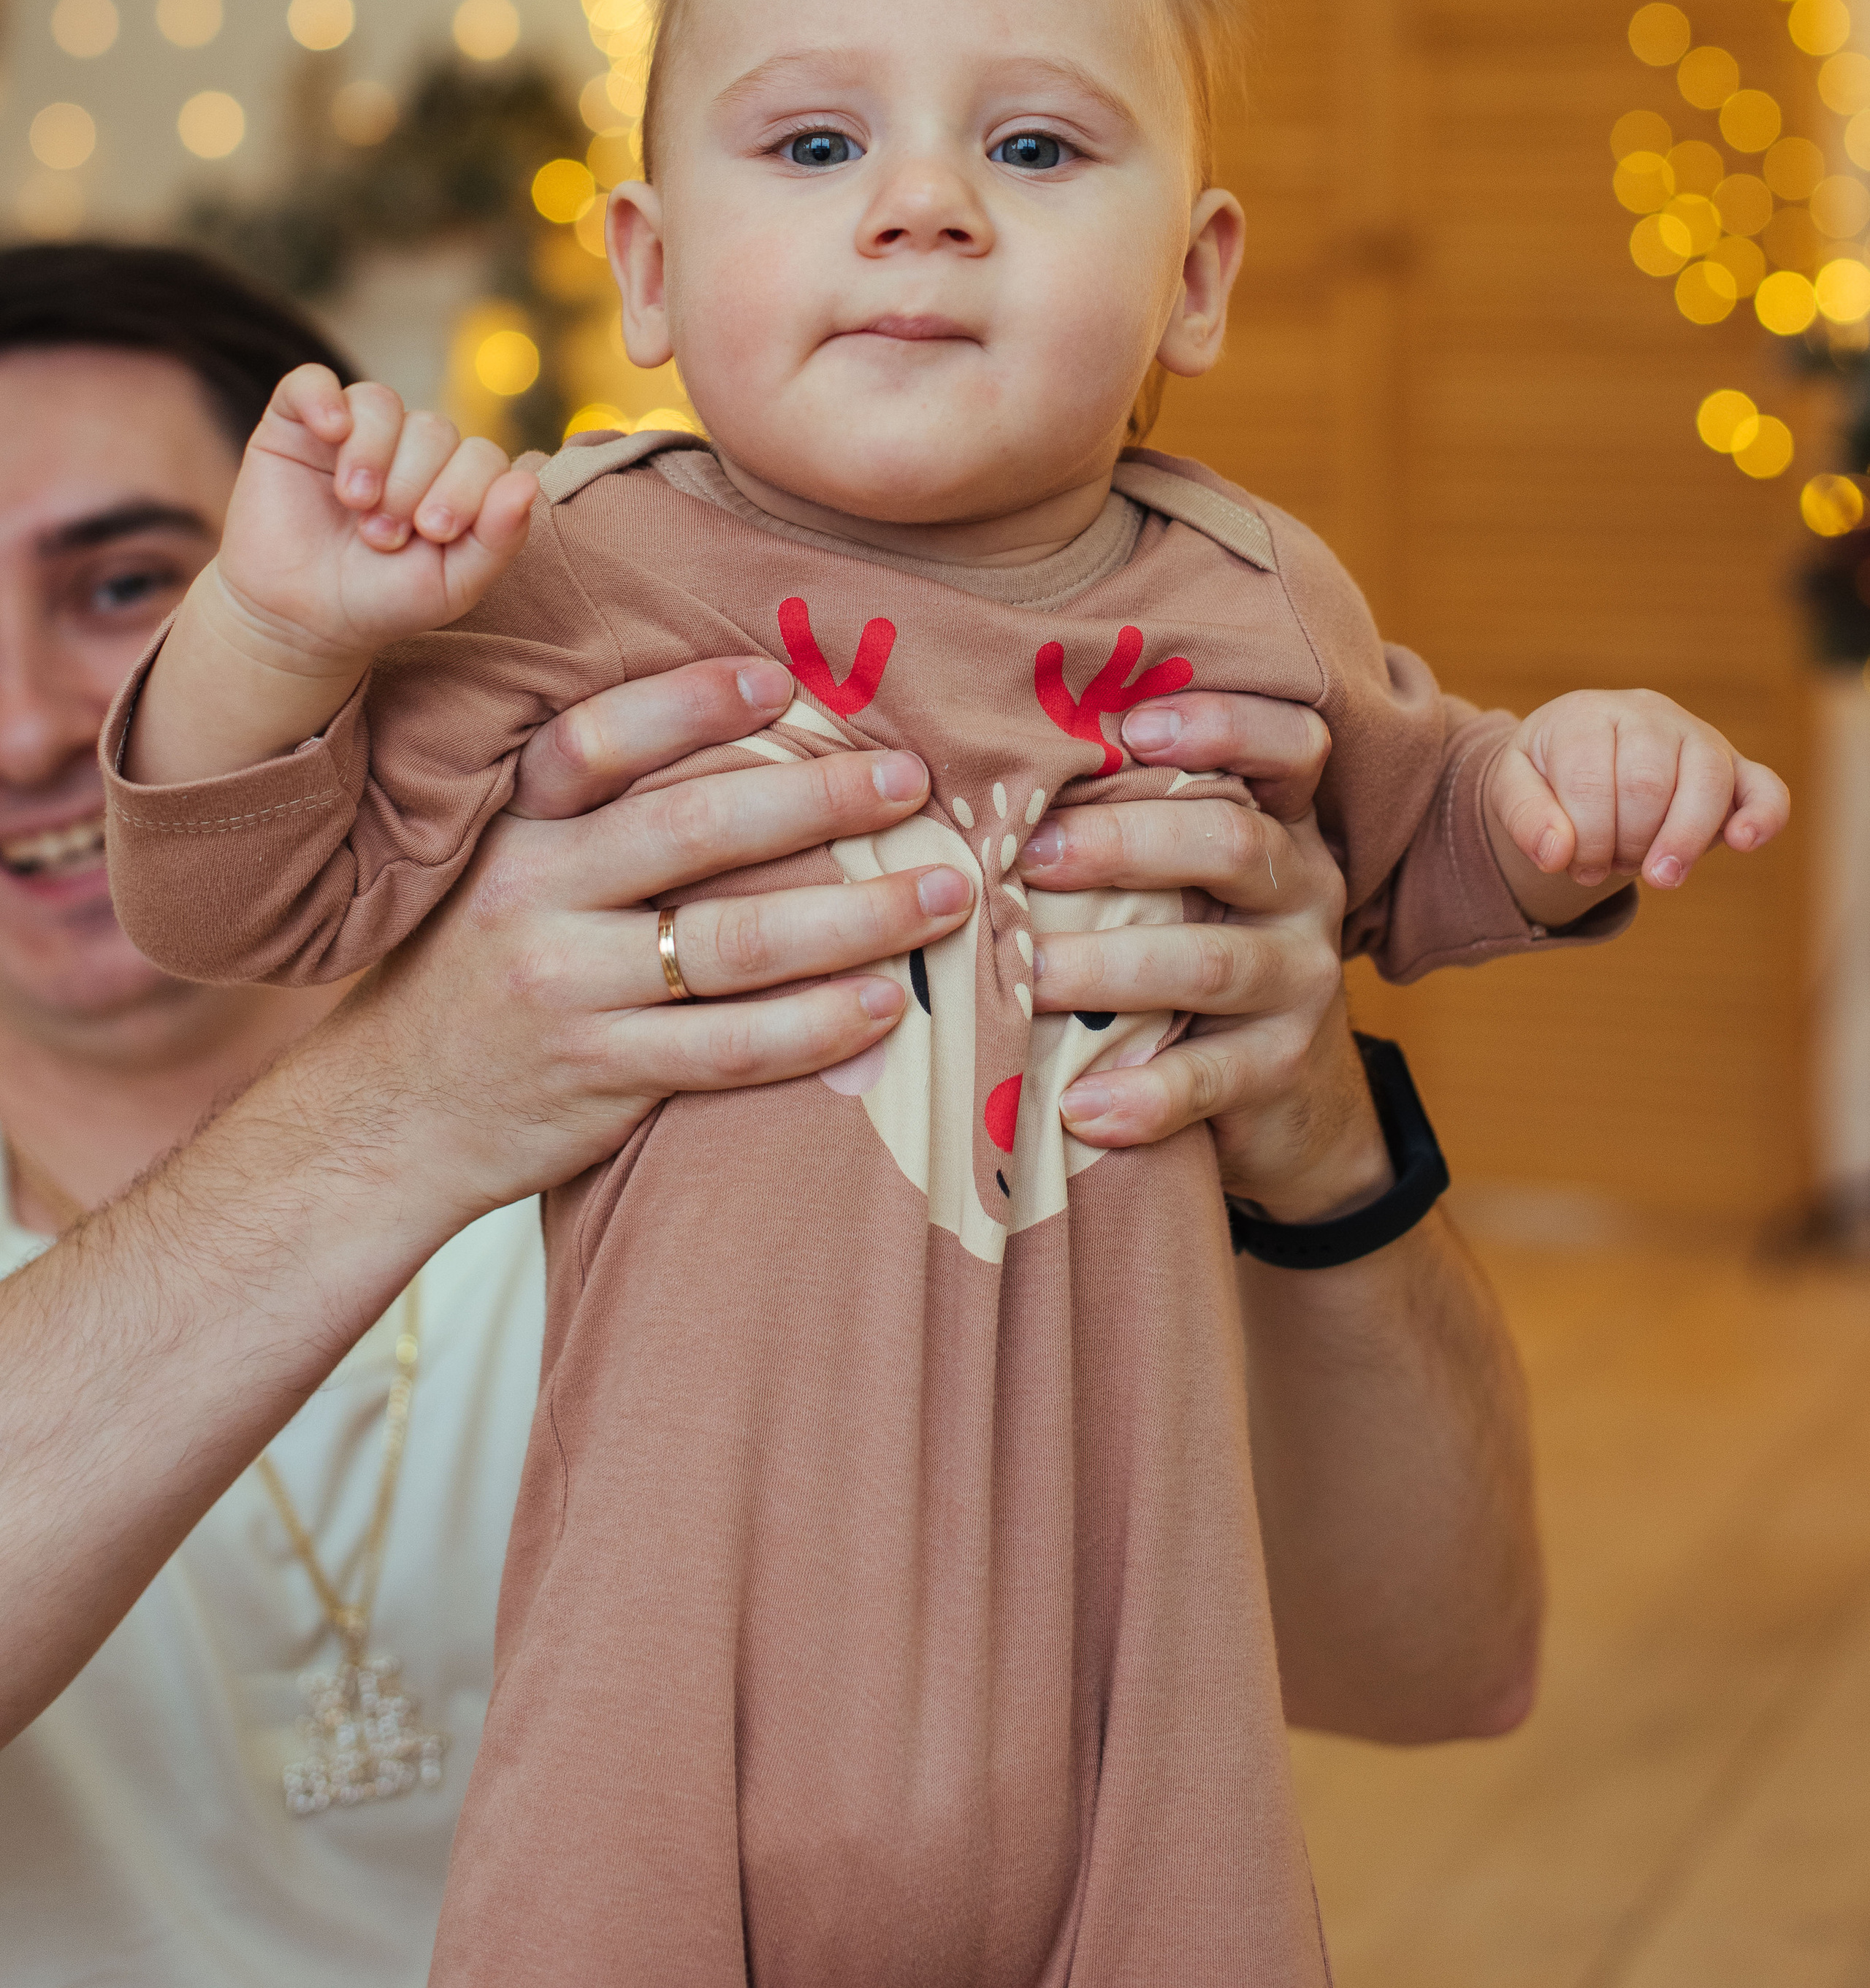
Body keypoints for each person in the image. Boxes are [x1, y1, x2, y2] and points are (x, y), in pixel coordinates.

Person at [106, 0, 1787, 1985]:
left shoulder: (1255, 595)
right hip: (665, 1684)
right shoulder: (561, 574)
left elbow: (1428, 832)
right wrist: (270, 629)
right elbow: (237, 902)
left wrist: (1564, 794)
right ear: (644, 266)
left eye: (1034, 146)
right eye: (815, 144)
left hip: (1135, 1667)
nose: (921, 205)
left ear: (1195, 276)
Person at [1, 237, 1536, 1987]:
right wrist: (404, 1103)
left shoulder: (825, 1004)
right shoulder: (530, 1041)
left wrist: (1319, 1145)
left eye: (125, 585)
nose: (27, 724)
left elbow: (1440, 1667)